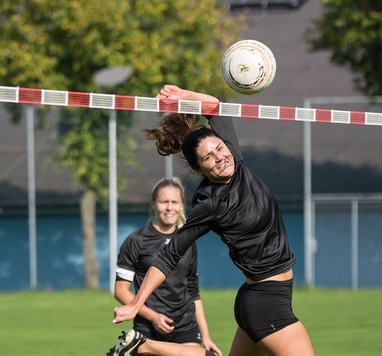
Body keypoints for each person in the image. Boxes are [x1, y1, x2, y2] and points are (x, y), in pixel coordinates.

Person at [108, 85, 315, 356]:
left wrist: (185, 95)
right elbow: (169, 254)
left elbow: (217, 106)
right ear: (198, 168)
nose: (219, 158)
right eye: (208, 157)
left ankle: (145, 347)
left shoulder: (235, 160)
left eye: (219, 148)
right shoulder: (210, 203)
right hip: (266, 304)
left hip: (259, 298)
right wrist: (136, 303)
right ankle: (147, 347)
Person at [111, 178, 222, 356]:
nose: (169, 208)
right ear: (154, 204)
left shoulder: (187, 241)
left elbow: (194, 293)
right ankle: (139, 345)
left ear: (182, 206)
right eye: (164, 202)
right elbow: (120, 290)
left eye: (174, 202)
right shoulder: (136, 241)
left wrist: (206, 337)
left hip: (186, 326)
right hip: (147, 328)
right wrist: (153, 317)